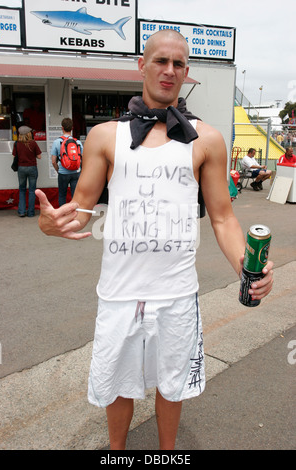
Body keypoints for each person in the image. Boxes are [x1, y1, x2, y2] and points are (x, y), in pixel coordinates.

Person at [35, 30, 274, 450]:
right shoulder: (105, 135)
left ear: (187, 73)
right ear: (141, 65)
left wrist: (247, 267)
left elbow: (222, 217)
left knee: (172, 384)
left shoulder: (207, 138)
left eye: (178, 64)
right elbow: (81, 208)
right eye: (160, 61)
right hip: (119, 293)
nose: (169, 70)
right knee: (118, 385)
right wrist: (49, 224)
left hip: (177, 294)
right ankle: (117, 454)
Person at [51, 118, 83, 207]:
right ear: (72, 128)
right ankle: (75, 214)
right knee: (75, 196)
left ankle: (63, 214)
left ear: (62, 128)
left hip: (63, 173)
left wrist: (58, 170)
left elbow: (53, 161)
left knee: (62, 195)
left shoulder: (57, 142)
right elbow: (82, 159)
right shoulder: (78, 142)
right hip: (76, 173)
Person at [13, 125, 42, 217]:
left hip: (21, 168)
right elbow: (39, 156)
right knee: (32, 190)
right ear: (29, 134)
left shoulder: (17, 143)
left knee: (22, 189)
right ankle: (31, 212)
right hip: (32, 167)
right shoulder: (33, 143)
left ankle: (21, 211)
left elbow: (14, 156)